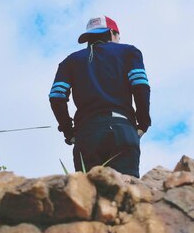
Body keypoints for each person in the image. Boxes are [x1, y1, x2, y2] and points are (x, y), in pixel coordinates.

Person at [49, 16, 151, 177]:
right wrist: (143, 123)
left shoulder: (70, 61)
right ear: (112, 33)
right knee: (125, 193)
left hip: (87, 134)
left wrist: (69, 132)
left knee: (89, 197)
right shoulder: (129, 52)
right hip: (122, 130)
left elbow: (56, 96)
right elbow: (140, 86)